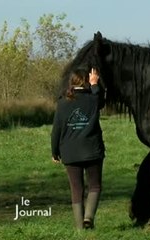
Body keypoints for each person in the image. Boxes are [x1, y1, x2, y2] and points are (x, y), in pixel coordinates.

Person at [51, 68, 105, 230]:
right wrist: (95, 84)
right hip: (92, 150)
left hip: (69, 152)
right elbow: (100, 98)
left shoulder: (62, 103)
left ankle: (80, 228)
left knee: (76, 189)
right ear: (87, 81)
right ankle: (88, 217)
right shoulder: (93, 100)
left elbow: (56, 131)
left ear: (72, 82)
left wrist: (55, 152)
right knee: (94, 186)